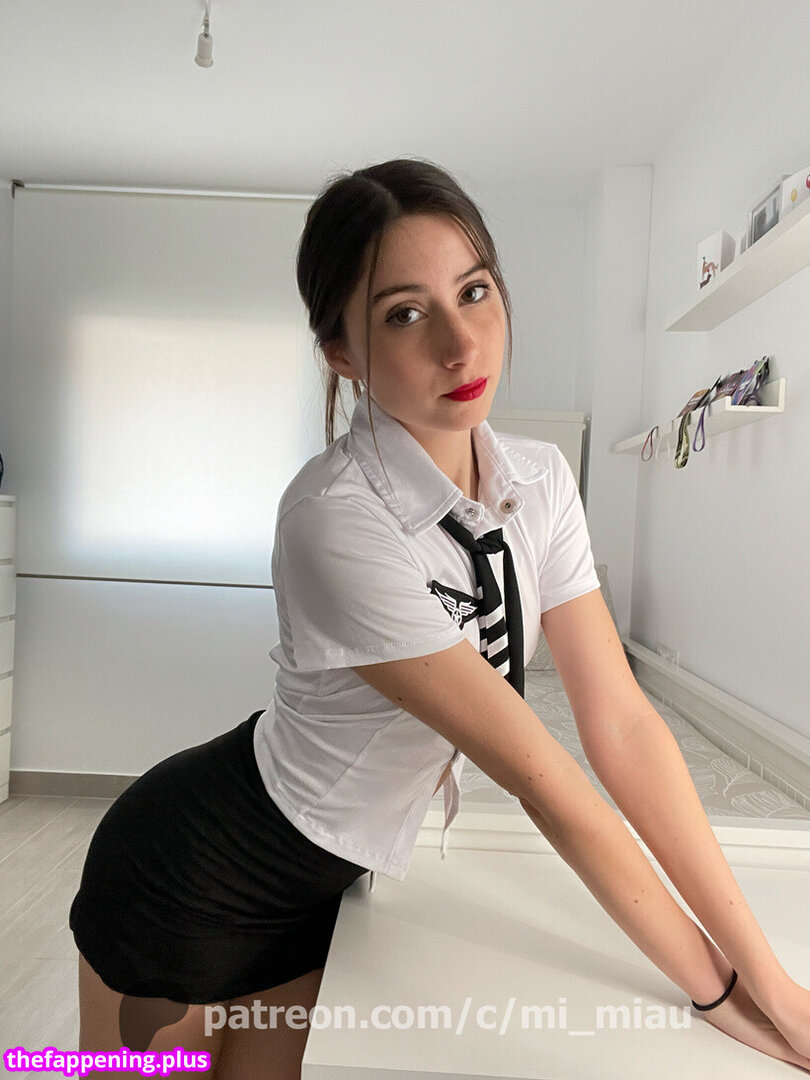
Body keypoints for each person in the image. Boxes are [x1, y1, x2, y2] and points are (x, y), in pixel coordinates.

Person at [70, 157, 810, 1078]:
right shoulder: (334, 519)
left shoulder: (540, 480)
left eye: (475, 292)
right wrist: (723, 995)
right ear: (341, 353)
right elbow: (547, 782)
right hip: (191, 877)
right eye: (404, 314)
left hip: (326, 888)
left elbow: (621, 723)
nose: (462, 346)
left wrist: (772, 980)